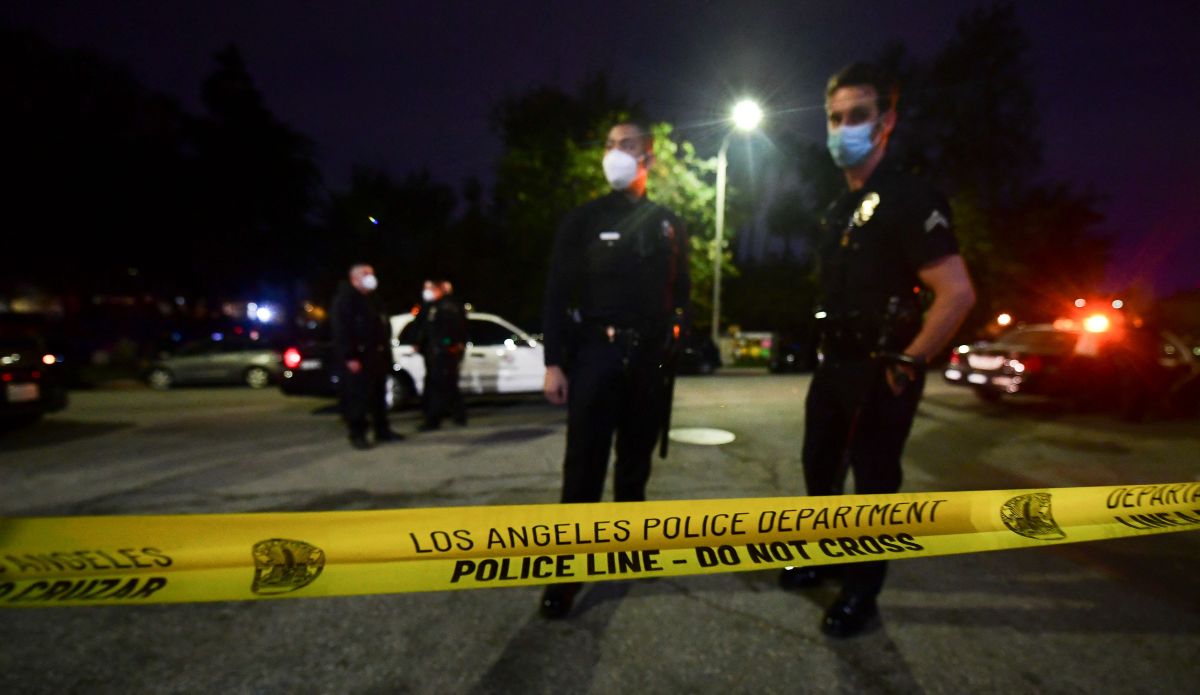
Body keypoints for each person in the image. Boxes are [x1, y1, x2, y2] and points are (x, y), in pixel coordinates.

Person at [779, 63, 976, 637]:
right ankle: (822, 556)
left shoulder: (911, 196)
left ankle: (862, 591)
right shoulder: (836, 207)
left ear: (886, 121)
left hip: (882, 367)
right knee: (819, 468)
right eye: (835, 118)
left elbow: (956, 293)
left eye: (857, 116)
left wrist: (910, 361)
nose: (844, 128)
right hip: (835, 364)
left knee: (872, 484)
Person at [539, 120, 690, 619]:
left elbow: (682, 293)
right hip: (595, 356)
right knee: (583, 467)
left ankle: (630, 546)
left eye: (626, 146)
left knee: (635, 463)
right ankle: (565, 575)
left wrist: (674, 342)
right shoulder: (582, 221)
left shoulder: (668, 223)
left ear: (647, 157)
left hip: (647, 360)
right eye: (608, 145)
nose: (614, 154)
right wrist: (554, 362)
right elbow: (557, 294)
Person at [330, 263, 404, 449]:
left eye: (372, 273)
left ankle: (382, 430)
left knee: (378, 395)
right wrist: (350, 356)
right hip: (359, 357)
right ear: (354, 278)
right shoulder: (345, 300)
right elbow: (341, 330)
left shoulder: (373, 299)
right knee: (358, 397)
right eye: (366, 274)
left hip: (376, 355)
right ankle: (358, 434)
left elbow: (382, 326)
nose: (371, 277)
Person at [411, 278, 467, 431]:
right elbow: (422, 328)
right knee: (446, 385)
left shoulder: (447, 306)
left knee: (438, 386)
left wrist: (448, 345)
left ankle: (434, 420)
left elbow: (452, 330)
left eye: (430, 288)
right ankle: (457, 415)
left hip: (442, 353)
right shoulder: (430, 306)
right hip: (434, 352)